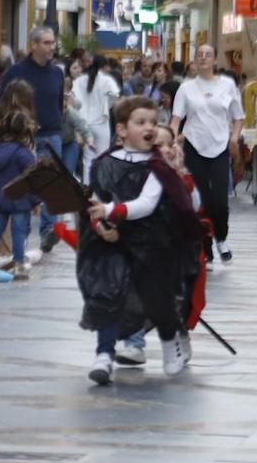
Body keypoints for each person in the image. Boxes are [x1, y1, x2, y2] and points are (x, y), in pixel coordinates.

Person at [81, 97, 197, 385]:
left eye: (153, 122)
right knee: (107, 291)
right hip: (112, 242)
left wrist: (111, 212)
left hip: (151, 242)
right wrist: (99, 223)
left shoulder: (159, 166)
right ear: (121, 130)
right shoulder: (102, 164)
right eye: (141, 122)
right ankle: (104, 355)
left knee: (156, 297)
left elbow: (146, 203)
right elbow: (95, 199)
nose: (150, 128)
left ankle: (170, 343)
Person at [172, 44, 245, 264]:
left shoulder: (227, 85)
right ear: (194, 60)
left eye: (208, 55)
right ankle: (205, 248)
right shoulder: (186, 88)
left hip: (220, 146)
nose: (203, 58)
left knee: (220, 200)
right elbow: (176, 119)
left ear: (215, 60)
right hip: (194, 144)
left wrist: (234, 137)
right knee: (200, 199)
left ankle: (221, 238)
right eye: (199, 55)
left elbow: (238, 116)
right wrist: (172, 140)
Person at [2, 28, 69, 247]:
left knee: (51, 182)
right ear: (34, 45)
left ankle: (48, 230)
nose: (51, 47)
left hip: (51, 134)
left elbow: (60, 102)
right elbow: (3, 102)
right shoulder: (16, 72)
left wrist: (57, 121)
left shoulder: (57, 73)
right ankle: (21, 231)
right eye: (47, 43)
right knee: (23, 181)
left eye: (52, 43)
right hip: (23, 136)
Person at [0, 100, 38, 269]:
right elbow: (33, 179)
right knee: (18, 230)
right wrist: (35, 201)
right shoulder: (23, 154)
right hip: (20, 200)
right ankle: (19, 262)